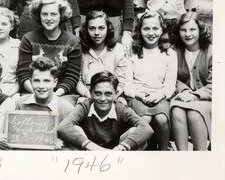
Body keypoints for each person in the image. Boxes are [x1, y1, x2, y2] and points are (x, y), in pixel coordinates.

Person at [0, 56, 73, 150]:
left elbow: (73, 144)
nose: (41, 86)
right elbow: (10, 135)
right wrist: (4, 138)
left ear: (55, 82)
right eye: (37, 81)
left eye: (46, 81)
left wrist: (62, 145)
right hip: (21, 154)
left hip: (49, 157)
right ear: (30, 82)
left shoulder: (66, 109)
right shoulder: (19, 103)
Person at [58, 71, 153, 150]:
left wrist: (121, 147)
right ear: (90, 93)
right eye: (98, 93)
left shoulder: (121, 109)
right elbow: (63, 127)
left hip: (116, 153)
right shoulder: (84, 106)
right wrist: (92, 147)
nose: (103, 99)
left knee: (135, 132)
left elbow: (147, 129)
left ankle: (123, 168)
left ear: (116, 94)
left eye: (108, 94)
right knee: (75, 130)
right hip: (88, 153)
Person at [124, 11, 177, 150]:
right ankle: (142, 150)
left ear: (162, 30)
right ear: (139, 30)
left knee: (161, 119)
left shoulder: (170, 54)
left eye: (155, 28)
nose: (151, 33)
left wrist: (159, 95)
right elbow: (127, 84)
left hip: (160, 95)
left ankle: (163, 150)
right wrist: (139, 95)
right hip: (137, 95)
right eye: (146, 28)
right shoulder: (132, 52)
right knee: (145, 119)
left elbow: (170, 86)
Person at [17, 0, 82, 100]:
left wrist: (53, 97)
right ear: (38, 15)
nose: (49, 18)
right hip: (32, 93)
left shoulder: (72, 42)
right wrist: (39, 94)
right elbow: (23, 74)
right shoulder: (28, 39)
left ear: (61, 15)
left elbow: (71, 77)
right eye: (44, 14)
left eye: (53, 14)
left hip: (62, 95)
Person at [170, 12, 212, 150]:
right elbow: (170, 77)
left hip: (207, 99)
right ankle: (183, 157)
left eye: (193, 29)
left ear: (200, 30)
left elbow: (216, 85)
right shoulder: (173, 52)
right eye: (183, 30)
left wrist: (194, 96)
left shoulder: (212, 52)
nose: (188, 34)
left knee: (194, 114)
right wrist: (185, 90)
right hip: (183, 96)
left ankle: (199, 157)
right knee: (176, 110)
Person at [77, 10, 131, 100]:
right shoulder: (80, 50)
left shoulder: (118, 50)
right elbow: (77, 80)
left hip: (111, 97)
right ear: (86, 29)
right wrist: (88, 95)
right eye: (92, 28)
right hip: (87, 96)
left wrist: (111, 96)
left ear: (108, 28)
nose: (97, 33)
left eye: (101, 28)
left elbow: (122, 81)